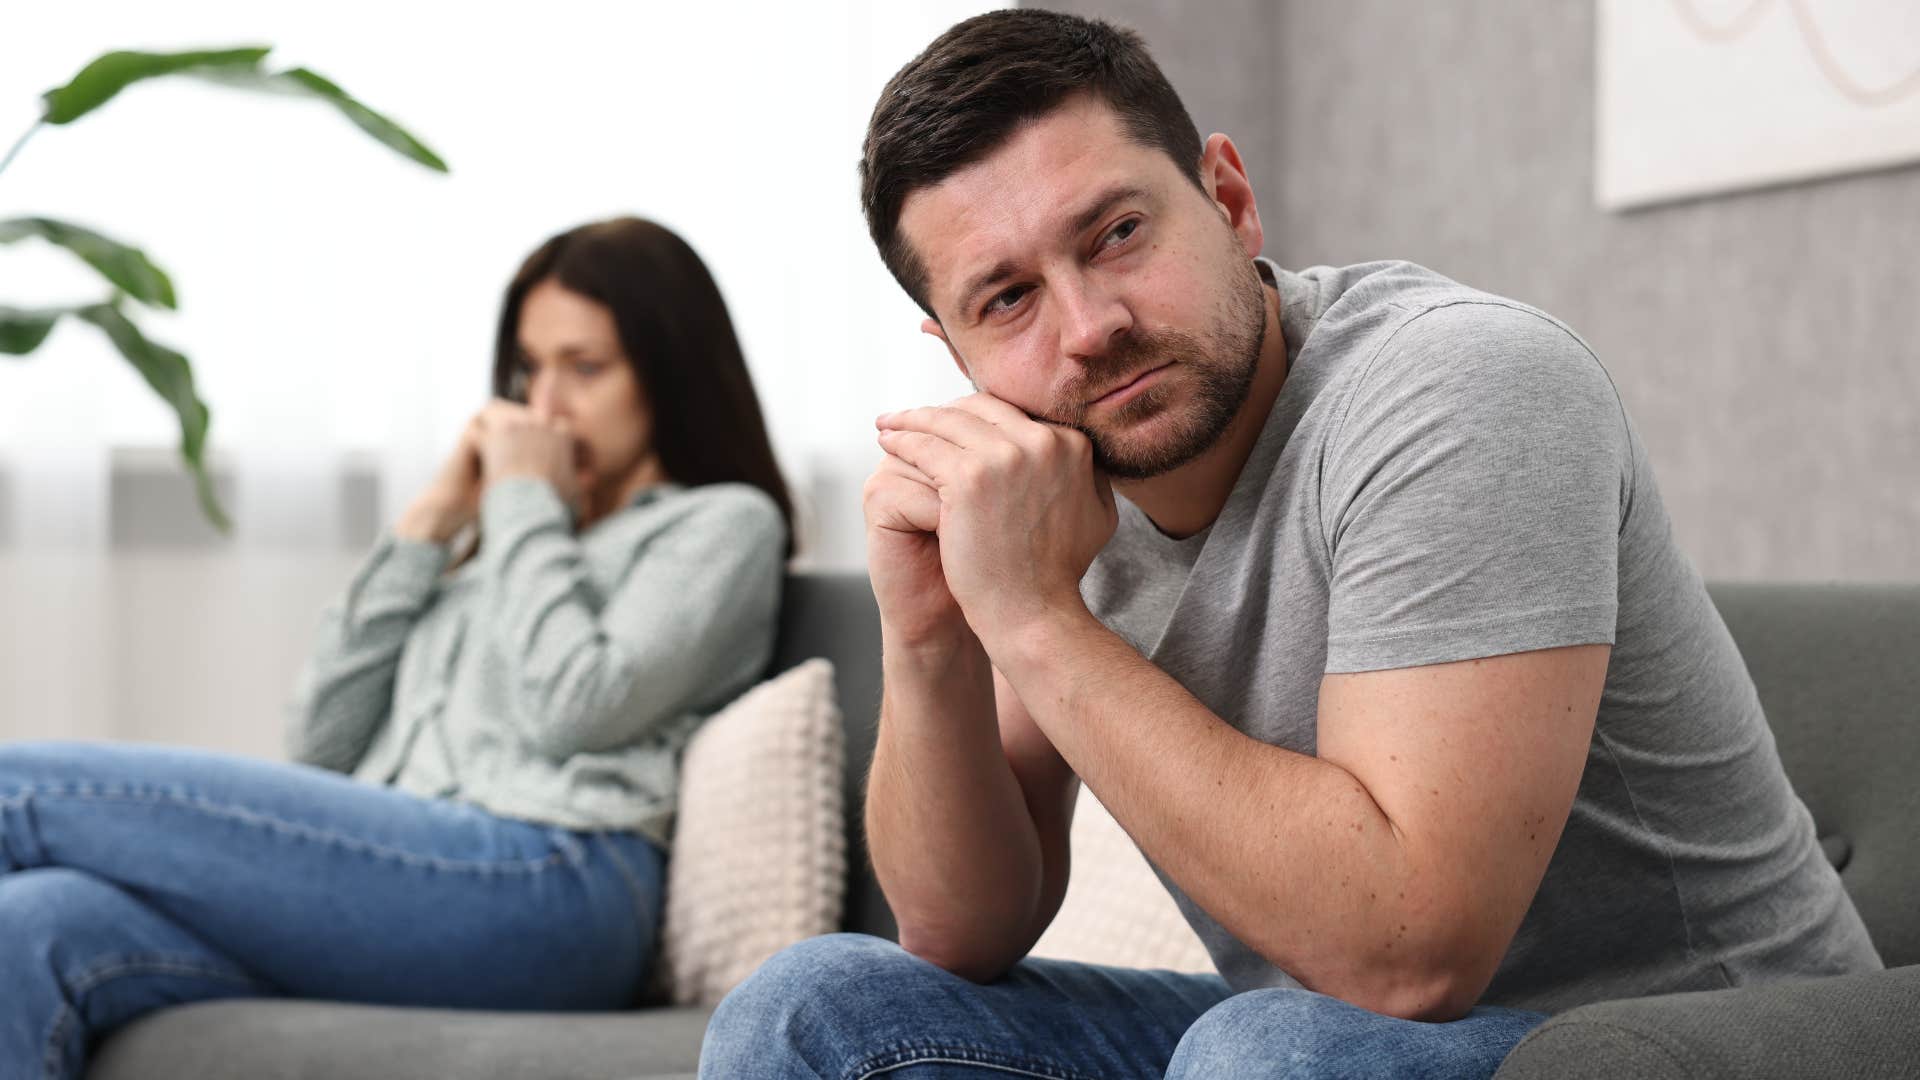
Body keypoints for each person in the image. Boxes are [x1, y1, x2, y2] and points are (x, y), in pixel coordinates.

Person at [698, 10, 1880, 1079]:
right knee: (812, 1007)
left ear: (1228, 197)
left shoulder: (1459, 388)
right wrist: (931, 630)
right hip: (1327, 1048)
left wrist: (1032, 616)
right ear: (953, 352)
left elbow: (1407, 957)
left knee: (1266, 1051)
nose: (1090, 330)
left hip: (1719, 1041)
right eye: (1006, 299)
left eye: (1115, 233)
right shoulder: (1057, 478)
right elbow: (963, 931)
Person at [0, 216, 793, 1080]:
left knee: (19, 791)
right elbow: (321, 742)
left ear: (669, 373)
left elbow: (576, 707)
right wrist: (432, 522)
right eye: (530, 369)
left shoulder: (719, 524)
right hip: (413, 885)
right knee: (36, 924)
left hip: (557, 883)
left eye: (586, 367)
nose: (544, 406)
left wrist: (524, 499)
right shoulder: (505, 546)